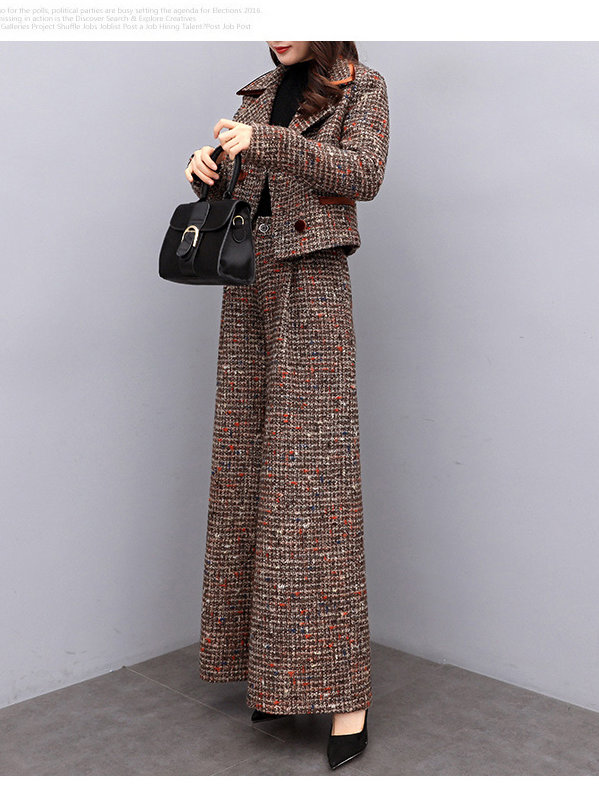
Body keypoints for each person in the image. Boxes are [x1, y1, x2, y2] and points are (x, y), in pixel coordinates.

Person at [184, 41, 389, 770]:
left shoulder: (362, 86)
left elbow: (364, 174)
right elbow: (251, 187)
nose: (274, 29)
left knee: (314, 490)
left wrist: (265, 142)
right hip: (248, 281)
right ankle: (272, 675)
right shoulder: (259, 88)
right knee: (248, 478)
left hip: (314, 280)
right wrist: (208, 171)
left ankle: (346, 697)